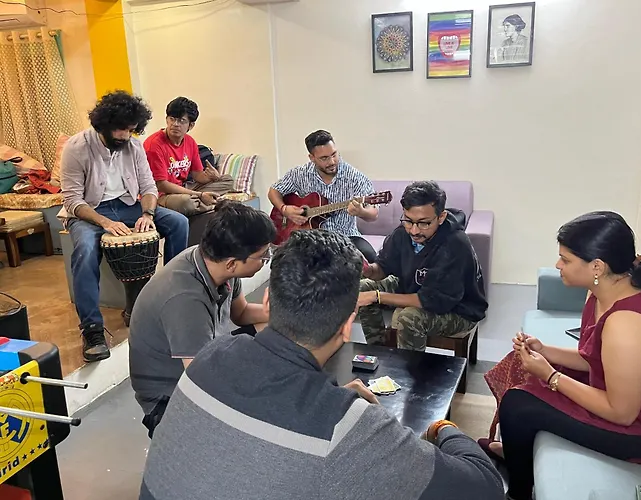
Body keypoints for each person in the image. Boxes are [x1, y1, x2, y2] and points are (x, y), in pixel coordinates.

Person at [139, 229, 503, 500]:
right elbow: (484, 487)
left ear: (268, 301)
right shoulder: (350, 428)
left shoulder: (208, 358)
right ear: (347, 325)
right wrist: (441, 427)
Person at [488, 212, 641, 500]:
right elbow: (594, 359)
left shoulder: (626, 324)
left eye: (565, 259)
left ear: (597, 266)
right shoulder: (601, 294)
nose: (558, 265)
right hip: (628, 406)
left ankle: (519, 492)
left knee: (519, 404)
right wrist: (545, 351)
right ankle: (518, 449)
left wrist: (551, 375)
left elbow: (622, 413)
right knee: (521, 363)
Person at [59, 90, 189, 363]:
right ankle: (92, 330)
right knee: (84, 250)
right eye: (121, 129)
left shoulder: (134, 146)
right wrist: (105, 222)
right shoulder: (76, 147)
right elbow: (71, 200)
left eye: (131, 130)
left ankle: (170, 301)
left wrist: (148, 214)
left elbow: (149, 187)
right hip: (89, 211)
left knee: (179, 222)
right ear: (103, 124)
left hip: (129, 205)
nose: (126, 136)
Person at [129, 200, 276, 438]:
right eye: (262, 256)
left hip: (205, 355)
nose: (266, 259)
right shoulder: (185, 298)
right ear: (232, 263)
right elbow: (202, 380)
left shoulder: (217, 262)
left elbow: (241, 313)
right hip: (170, 397)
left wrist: (283, 312)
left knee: (274, 329)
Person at [358, 181, 488, 350]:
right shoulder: (402, 233)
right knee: (363, 287)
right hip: (415, 287)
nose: (414, 231)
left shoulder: (455, 244)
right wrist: (368, 270)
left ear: (441, 217)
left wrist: (377, 296)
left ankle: (411, 367)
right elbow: (383, 267)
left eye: (424, 223)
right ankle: (379, 350)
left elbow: (429, 300)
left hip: (459, 309)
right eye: (408, 221)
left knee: (409, 318)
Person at [268, 129, 379, 262]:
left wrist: (361, 211)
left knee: (371, 258)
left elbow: (374, 214)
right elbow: (273, 191)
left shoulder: (355, 177)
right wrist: (284, 209)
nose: (332, 161)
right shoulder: (300, 174)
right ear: (312, 158)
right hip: (308, 239)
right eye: (324, 158)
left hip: (346, 237)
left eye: (334, 154)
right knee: (283, 261)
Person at [143, 97, 234, 216]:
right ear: (166, 119)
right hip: (161, 195)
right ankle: (211, 203)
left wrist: (213, 177)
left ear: (191, 125)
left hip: (183, 188)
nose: (175, 124)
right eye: (172, 119)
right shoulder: (154, 144)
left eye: (181, 121)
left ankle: (203, 202)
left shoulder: (190, 142)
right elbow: (161, 185)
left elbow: (197, 176)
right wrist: (199, 195)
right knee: (187, 203)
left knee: (228, 180)